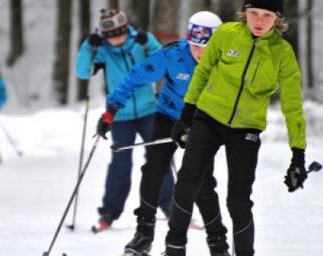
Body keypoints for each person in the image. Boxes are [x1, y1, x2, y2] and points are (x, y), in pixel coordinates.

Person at [162, 1, 308, 255]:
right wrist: (186, 115)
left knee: (238, 201)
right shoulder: (226, 34)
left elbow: (292, 105)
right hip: (208, 118)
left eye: (266, 15)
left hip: (246, 129)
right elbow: (203, 72)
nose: (259, 21)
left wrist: (298, 154)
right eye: (254, 13)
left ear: (277, 18)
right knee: (187, 181)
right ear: (245, 13)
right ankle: (174, 248)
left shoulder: (282, 53)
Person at [97, 11, 231, 256]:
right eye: (195, 46)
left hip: (203, 123)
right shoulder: (173, 55)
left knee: (202, 181)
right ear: (188, 41)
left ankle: (218, 243)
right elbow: (136, 76)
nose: (200, 53)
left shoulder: (227, 61)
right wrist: (111, 110)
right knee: (153, 169)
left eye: (207, 47)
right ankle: (143, 235)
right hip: (168, 116)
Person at [75, 9, 168, 230]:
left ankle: (172, 208)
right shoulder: (103, 50)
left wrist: (151, 44)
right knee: (120, 163)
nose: (115, 40)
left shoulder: (142, 43)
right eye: (111, 36)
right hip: (120, 115)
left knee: (160, 159)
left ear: (126, 29)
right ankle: (109, 213)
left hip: (149, 110)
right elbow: (82, 72)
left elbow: (162, 64)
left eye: (119, 34)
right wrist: (89, 45)